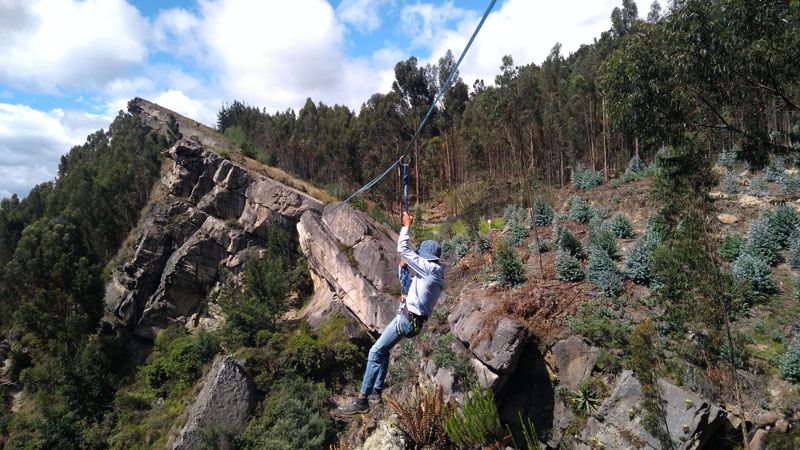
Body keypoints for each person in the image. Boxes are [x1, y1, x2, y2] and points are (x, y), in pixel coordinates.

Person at [337, 211, 446, 415]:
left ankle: (362, 399)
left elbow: (403, 248)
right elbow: (409, 286)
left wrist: (406, 226)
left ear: (426, 258)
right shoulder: (435, 274)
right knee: (384, 351)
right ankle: (376, 392)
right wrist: (402, 269)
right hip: (411, 321)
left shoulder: (430, 269)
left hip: (406, 320)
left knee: (374, 352)